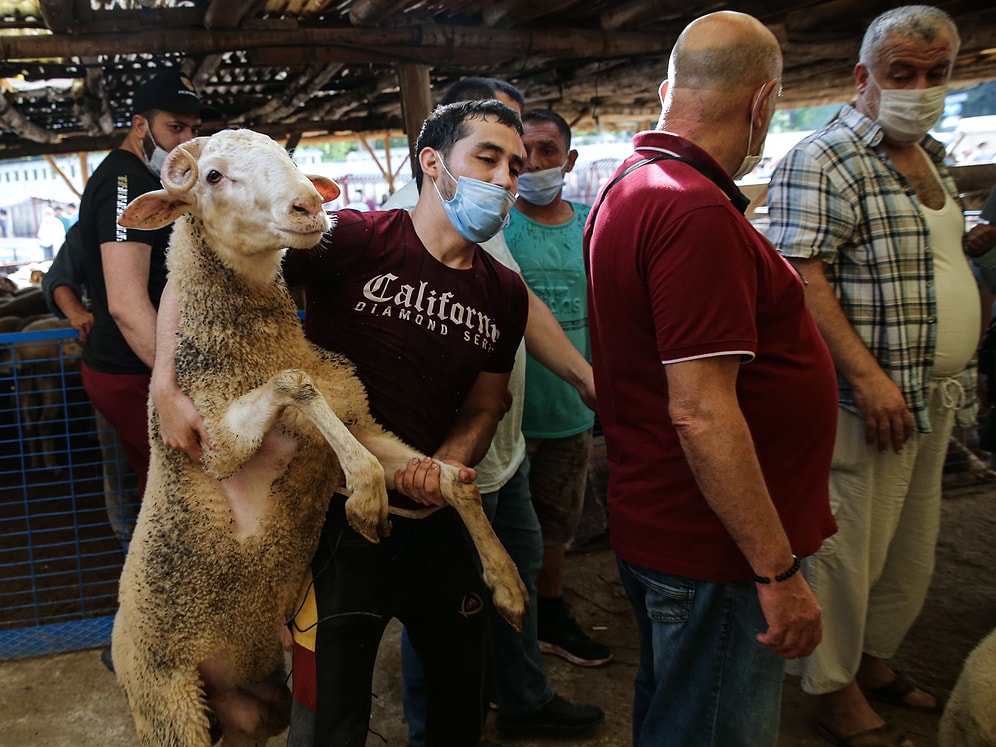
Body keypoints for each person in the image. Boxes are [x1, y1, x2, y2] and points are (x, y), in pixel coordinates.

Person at [154, 99, 530, 747]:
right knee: (328, 722)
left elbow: (484, 404)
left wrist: (442, 463)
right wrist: (165, 381)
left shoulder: (503, 291)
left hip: (439, 527)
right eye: (486, 160)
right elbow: (209, 270)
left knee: (458, 710)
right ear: (433, 162)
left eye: (515, 167)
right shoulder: (356, 238)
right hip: (335, 526)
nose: (503, 180)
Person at [586, 11, 838, 747]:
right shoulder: (691, 208)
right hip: (714, 552)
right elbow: (700, 411)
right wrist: (777, 569)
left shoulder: (634, 184)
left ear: (670, 90)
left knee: (677, 714)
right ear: (763, 104)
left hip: (669, 526)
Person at [767, 7, 996, 746]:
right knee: (847, 549)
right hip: (865, 399)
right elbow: (803, 276)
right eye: (903, 74)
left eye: (937, 75)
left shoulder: (929, 153)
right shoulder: (823, 156)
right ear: (863, 78)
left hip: (932, 392)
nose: (921, 89)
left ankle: (870, 661)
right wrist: (866, 377)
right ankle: (833, 692)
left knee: (910, 548)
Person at [391, 80, 605, 744]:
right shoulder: (405, 226)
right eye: (491, 147)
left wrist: (584, 377)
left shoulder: (487, 219)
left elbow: (521, 305)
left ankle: (522, 695)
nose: (509, 168)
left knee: (518, 572)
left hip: (501, 454)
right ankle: (437, 729)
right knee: (439, 607)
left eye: (515, 154)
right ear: (443, 145)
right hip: (444, 466)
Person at [77, 69, 216, 510]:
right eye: (174, 128)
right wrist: (173, 385)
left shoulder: (140, 178)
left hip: (134, 367)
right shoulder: (127, 181)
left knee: (162, 488)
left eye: (193, 129)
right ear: (141, 127)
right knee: (200, 487)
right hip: (129, 369)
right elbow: (125, 303)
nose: (186, 141)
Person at [504, 108, 610, 668]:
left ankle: (550, 611)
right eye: (526, 154)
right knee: (507, 533)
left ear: (569, 160)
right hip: (509, 417)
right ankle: (508, 628)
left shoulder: (593, 226)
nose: (536, 164)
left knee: (557, 524)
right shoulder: (495, 227)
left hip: (571, 412)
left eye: (549, 152)